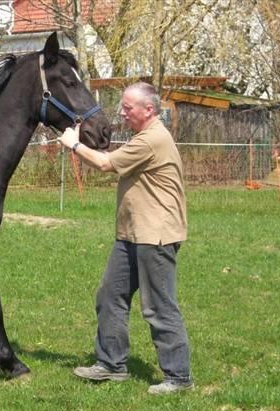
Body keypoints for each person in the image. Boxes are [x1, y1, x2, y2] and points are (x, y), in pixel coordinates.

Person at [59, 82, 193, 394]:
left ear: (149, 110)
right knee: (110, 295)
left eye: (128, 107)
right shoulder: (142, 137)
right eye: (122, 106)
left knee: (159, 306)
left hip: (155, 236)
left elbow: (106, 163)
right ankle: (111, 364)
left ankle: (179, 376)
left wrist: (74, 144)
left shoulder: (153, 139)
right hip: (131, 235)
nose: (122, 112)